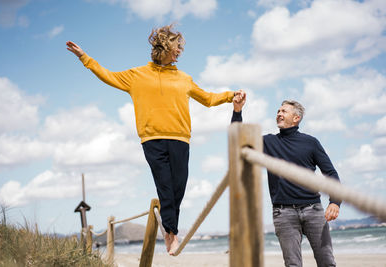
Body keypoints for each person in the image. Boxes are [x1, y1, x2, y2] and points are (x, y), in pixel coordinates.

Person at [66, 24, 245, 255]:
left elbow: (208, 99)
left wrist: (231, 96)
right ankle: (171, 233)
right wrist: (85, 58)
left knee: (178, 187)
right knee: (165, 186)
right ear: (164, 48)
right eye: (176, 48)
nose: (179, 52)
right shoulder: (137, 75)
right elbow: (107, 75)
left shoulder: (184, 79)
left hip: (180, 138)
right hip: (152, 139)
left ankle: (170, 230)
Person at [232, 98, 341, 267]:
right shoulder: (268, 142)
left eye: (283, 111)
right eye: (278, 111)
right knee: (293, 265)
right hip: (283, 214)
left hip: (313, 210)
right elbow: (239, 140)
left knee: (327, 262)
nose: (279, 114)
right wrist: (237, 111)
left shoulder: (310, 142)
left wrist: (335, 201)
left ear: (296, 118)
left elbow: (330, 172)